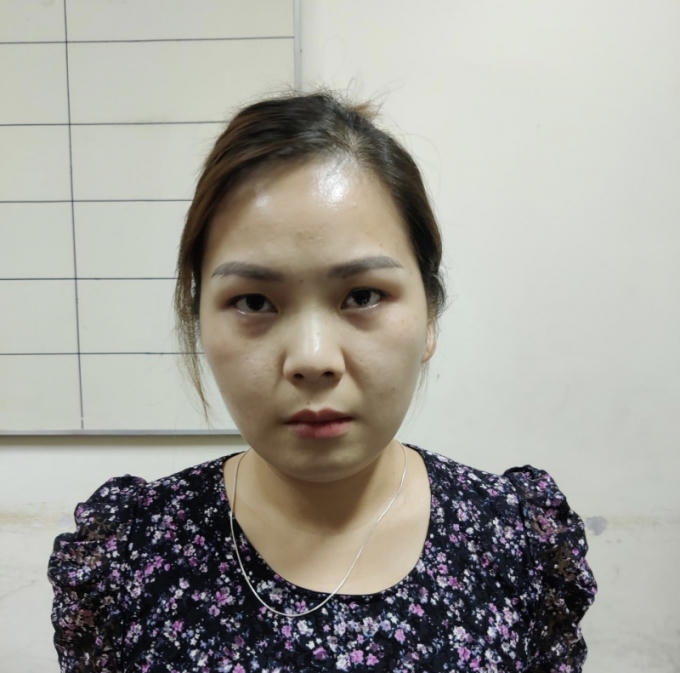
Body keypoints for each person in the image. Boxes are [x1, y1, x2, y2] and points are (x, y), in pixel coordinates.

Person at [48, 91, 597, 672]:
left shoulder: (516, 542)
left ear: (430, 315)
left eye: (363, 295)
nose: (312, 359)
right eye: (253, 301)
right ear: (198, 318)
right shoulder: (128, 556)